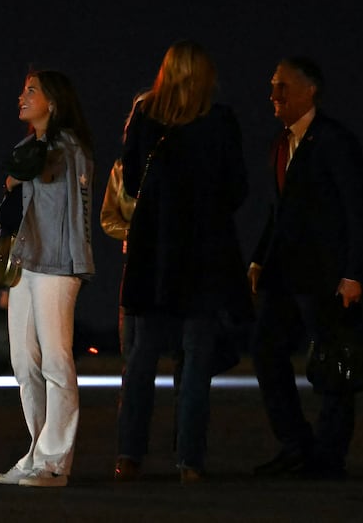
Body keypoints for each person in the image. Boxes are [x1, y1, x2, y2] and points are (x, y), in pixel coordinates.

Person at [115, 40, 252, 484]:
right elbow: (237, 188)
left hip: (155, 253)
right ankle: (189, 460)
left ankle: (129, 455)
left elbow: (131, 180)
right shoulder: (220, 120)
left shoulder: (145, 116)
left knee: (141, 359)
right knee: (196, 362)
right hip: (205, 255)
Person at [247, 57, 363, 479]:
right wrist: (258, 258)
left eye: (283, 86)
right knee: (266, 352)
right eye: (272, 85)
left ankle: (328, 455)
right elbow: (277, 211)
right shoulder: (279, 144)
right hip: (284, 274)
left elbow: (357, 209)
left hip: (326, 275)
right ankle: (296, 444)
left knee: (334, 364)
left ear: (310, 90)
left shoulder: (335, 140)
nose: (273, 95)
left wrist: (354, 272)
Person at [0, 70, 95, 488]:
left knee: (56, 359)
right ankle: (37, 450)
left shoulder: (67, 149)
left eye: (31, 90)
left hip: (56, 264)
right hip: (25, 262)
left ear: (53, 101)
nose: (21, 96)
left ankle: (56, 460)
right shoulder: (26, 148)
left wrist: (18, 177)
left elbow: (56, 187)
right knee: (23, 362)